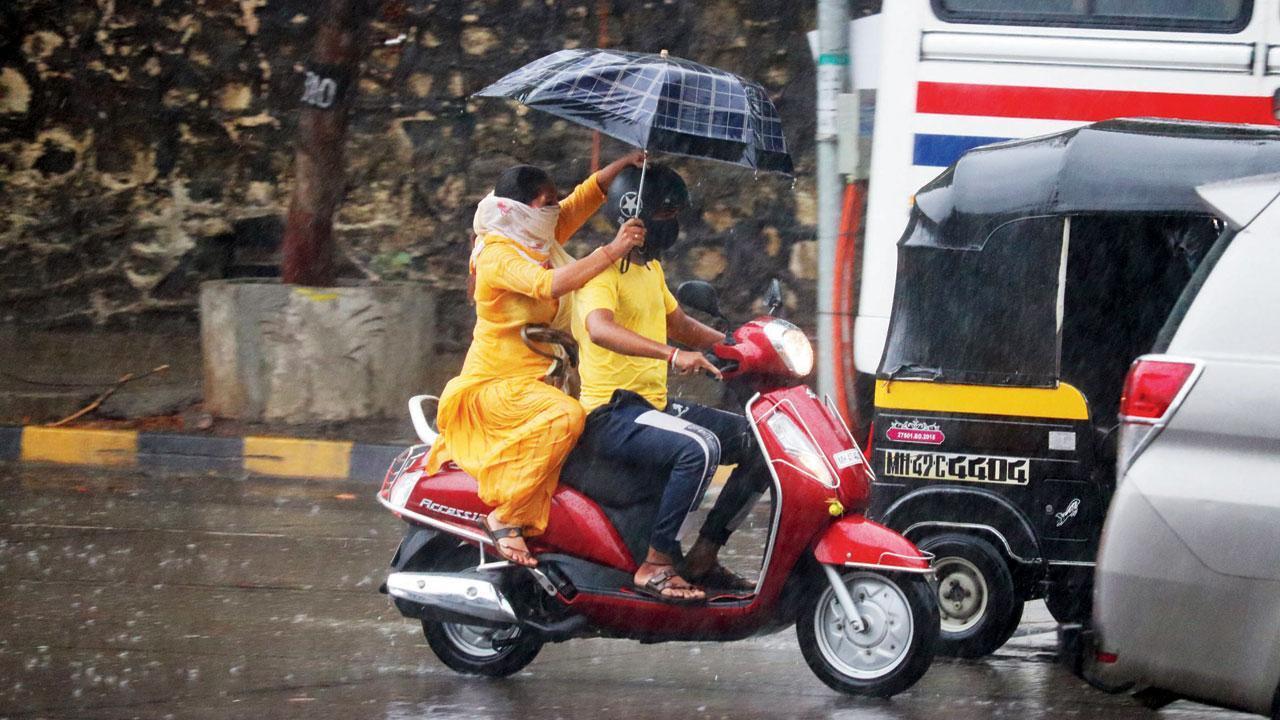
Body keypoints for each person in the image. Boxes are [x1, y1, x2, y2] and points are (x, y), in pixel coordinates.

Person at [424, 152, 647, 569]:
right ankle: (506, 517)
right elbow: (550, 284)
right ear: (524, 207)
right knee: (565, 418)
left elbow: (580, 201)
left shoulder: (533, 234)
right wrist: (613, 249)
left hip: (537, 379)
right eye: (548, 202)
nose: (556, 210)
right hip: (494, 388)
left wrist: (623, 165)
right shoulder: (497, 254)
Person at [567, 163, 772, 602]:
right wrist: (671, 354)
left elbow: (676, 322)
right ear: (634, 216)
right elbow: (600, 328)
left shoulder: (649, 269)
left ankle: (703, 555)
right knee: (698, 448)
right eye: (665, 215)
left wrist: (744, 346)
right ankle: (656, 564)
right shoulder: (598, 273)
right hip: (611, 412)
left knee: (758, 442)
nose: (674, 226)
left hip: (650, 407)